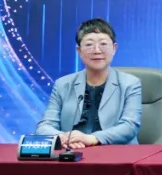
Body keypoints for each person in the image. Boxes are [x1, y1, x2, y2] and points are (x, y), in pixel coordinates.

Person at [36, 18, 142, 148]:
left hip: (117, 154)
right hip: (72, 152)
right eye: (89, 45)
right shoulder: (62, 84)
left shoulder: (130, 84)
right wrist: (63, 138)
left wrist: (91, 138)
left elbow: (130, 126)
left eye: (103, 44)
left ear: (114, 48)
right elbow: (44, 126)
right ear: (79, 51)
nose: (97, 50)